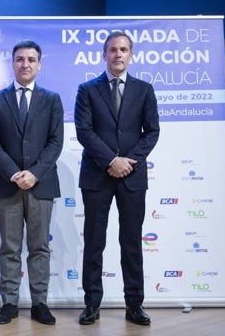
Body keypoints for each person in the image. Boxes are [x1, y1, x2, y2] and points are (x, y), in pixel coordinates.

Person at [74, 31, 160, 326]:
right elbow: (84, 131)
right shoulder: (87, 90)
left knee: (131, 243)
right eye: (113, 50)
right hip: (97, 176)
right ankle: (91, 305)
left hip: (132, 177)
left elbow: (152, 132)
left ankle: (134, 305)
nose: (118, 54)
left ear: (131, 55)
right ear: (104, 54)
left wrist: (128, 162)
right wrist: (111, 160)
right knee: (94, 242)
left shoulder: (144, 89)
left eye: (123, 50)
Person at [0, 40, 64, 325]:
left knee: (40, 246)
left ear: (39, 65)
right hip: (8, 184)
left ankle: (40, 303)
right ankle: (9, 303)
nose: (25, 64)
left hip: (41, 184)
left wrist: (35, 173)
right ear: (12, 63)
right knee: (10, 246)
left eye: (31, 59)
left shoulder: (52, 99)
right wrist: (14, 173)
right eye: (20, 59)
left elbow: (56, 142)